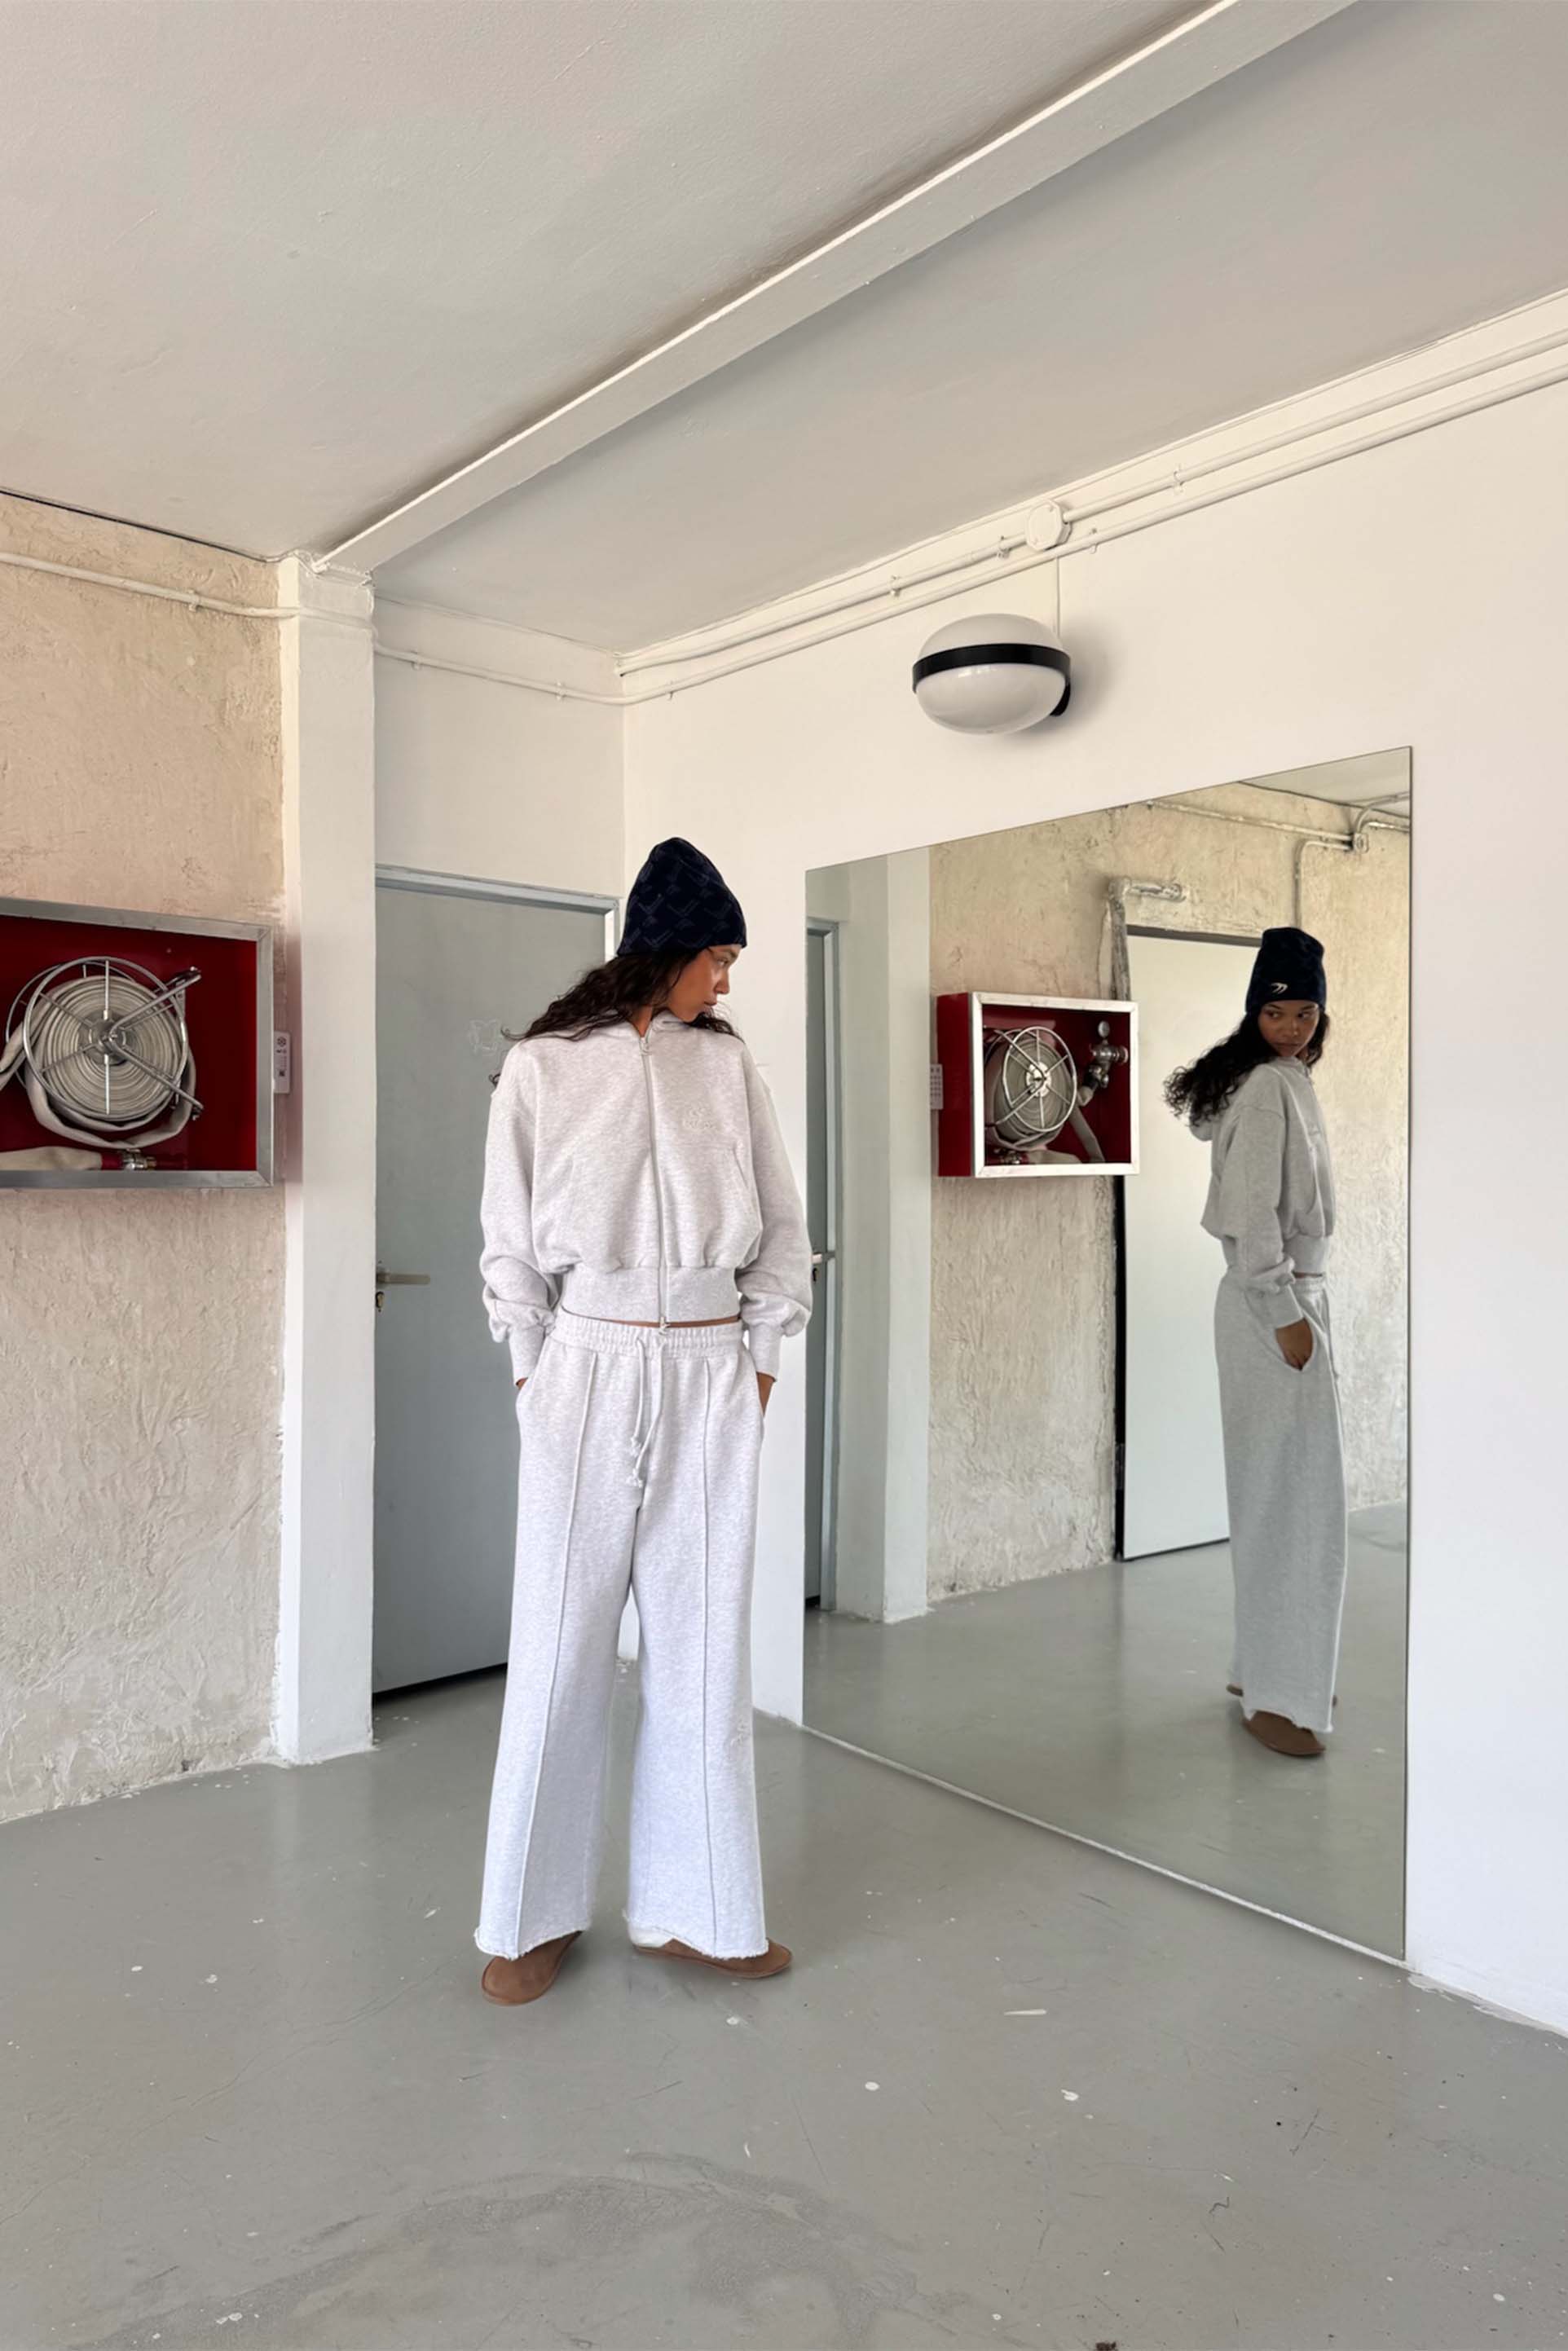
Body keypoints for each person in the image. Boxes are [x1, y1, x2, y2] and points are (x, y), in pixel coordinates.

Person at [474, 838, 813, 2003]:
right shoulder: (543, 1066)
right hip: (588, 1362)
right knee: (559, 1643)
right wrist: (536, 1374)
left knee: (704, 1647)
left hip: (711, 1368)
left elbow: (782, 1223)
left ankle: (700, 1910)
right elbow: (508, 1240)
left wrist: (759, 1359)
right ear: (664, 949)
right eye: (717, 957)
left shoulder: (728, 1065)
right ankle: (528, 1917)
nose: (725, 979)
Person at [1165, 927, 1346, 1761]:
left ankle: (1265, 1670)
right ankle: (1281, 1692)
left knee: (1277, 1496)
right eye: (1276, 1012)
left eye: (1304, 1011)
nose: (1291, 1026)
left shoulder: (1278, 1080)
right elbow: (1250, 1216)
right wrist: (1284, 1313)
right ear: (1253, 1014)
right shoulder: (1270, 1088)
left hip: (1274, 1303)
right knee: (1298, 1509)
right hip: (1273, 1304)